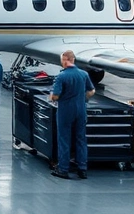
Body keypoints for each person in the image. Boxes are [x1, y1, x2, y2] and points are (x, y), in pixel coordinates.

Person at [49, 50, 95, 180]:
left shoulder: (61, 76)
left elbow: (56, 96)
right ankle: (82, 169)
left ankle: (63, 169)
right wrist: (82, 99)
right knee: (81, 139)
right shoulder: (83, 74)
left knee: (64, 139)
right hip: (81, 110)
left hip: (65, 111)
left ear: (64, 60)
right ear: (73, 59)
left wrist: (51, 97)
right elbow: (92, 91)